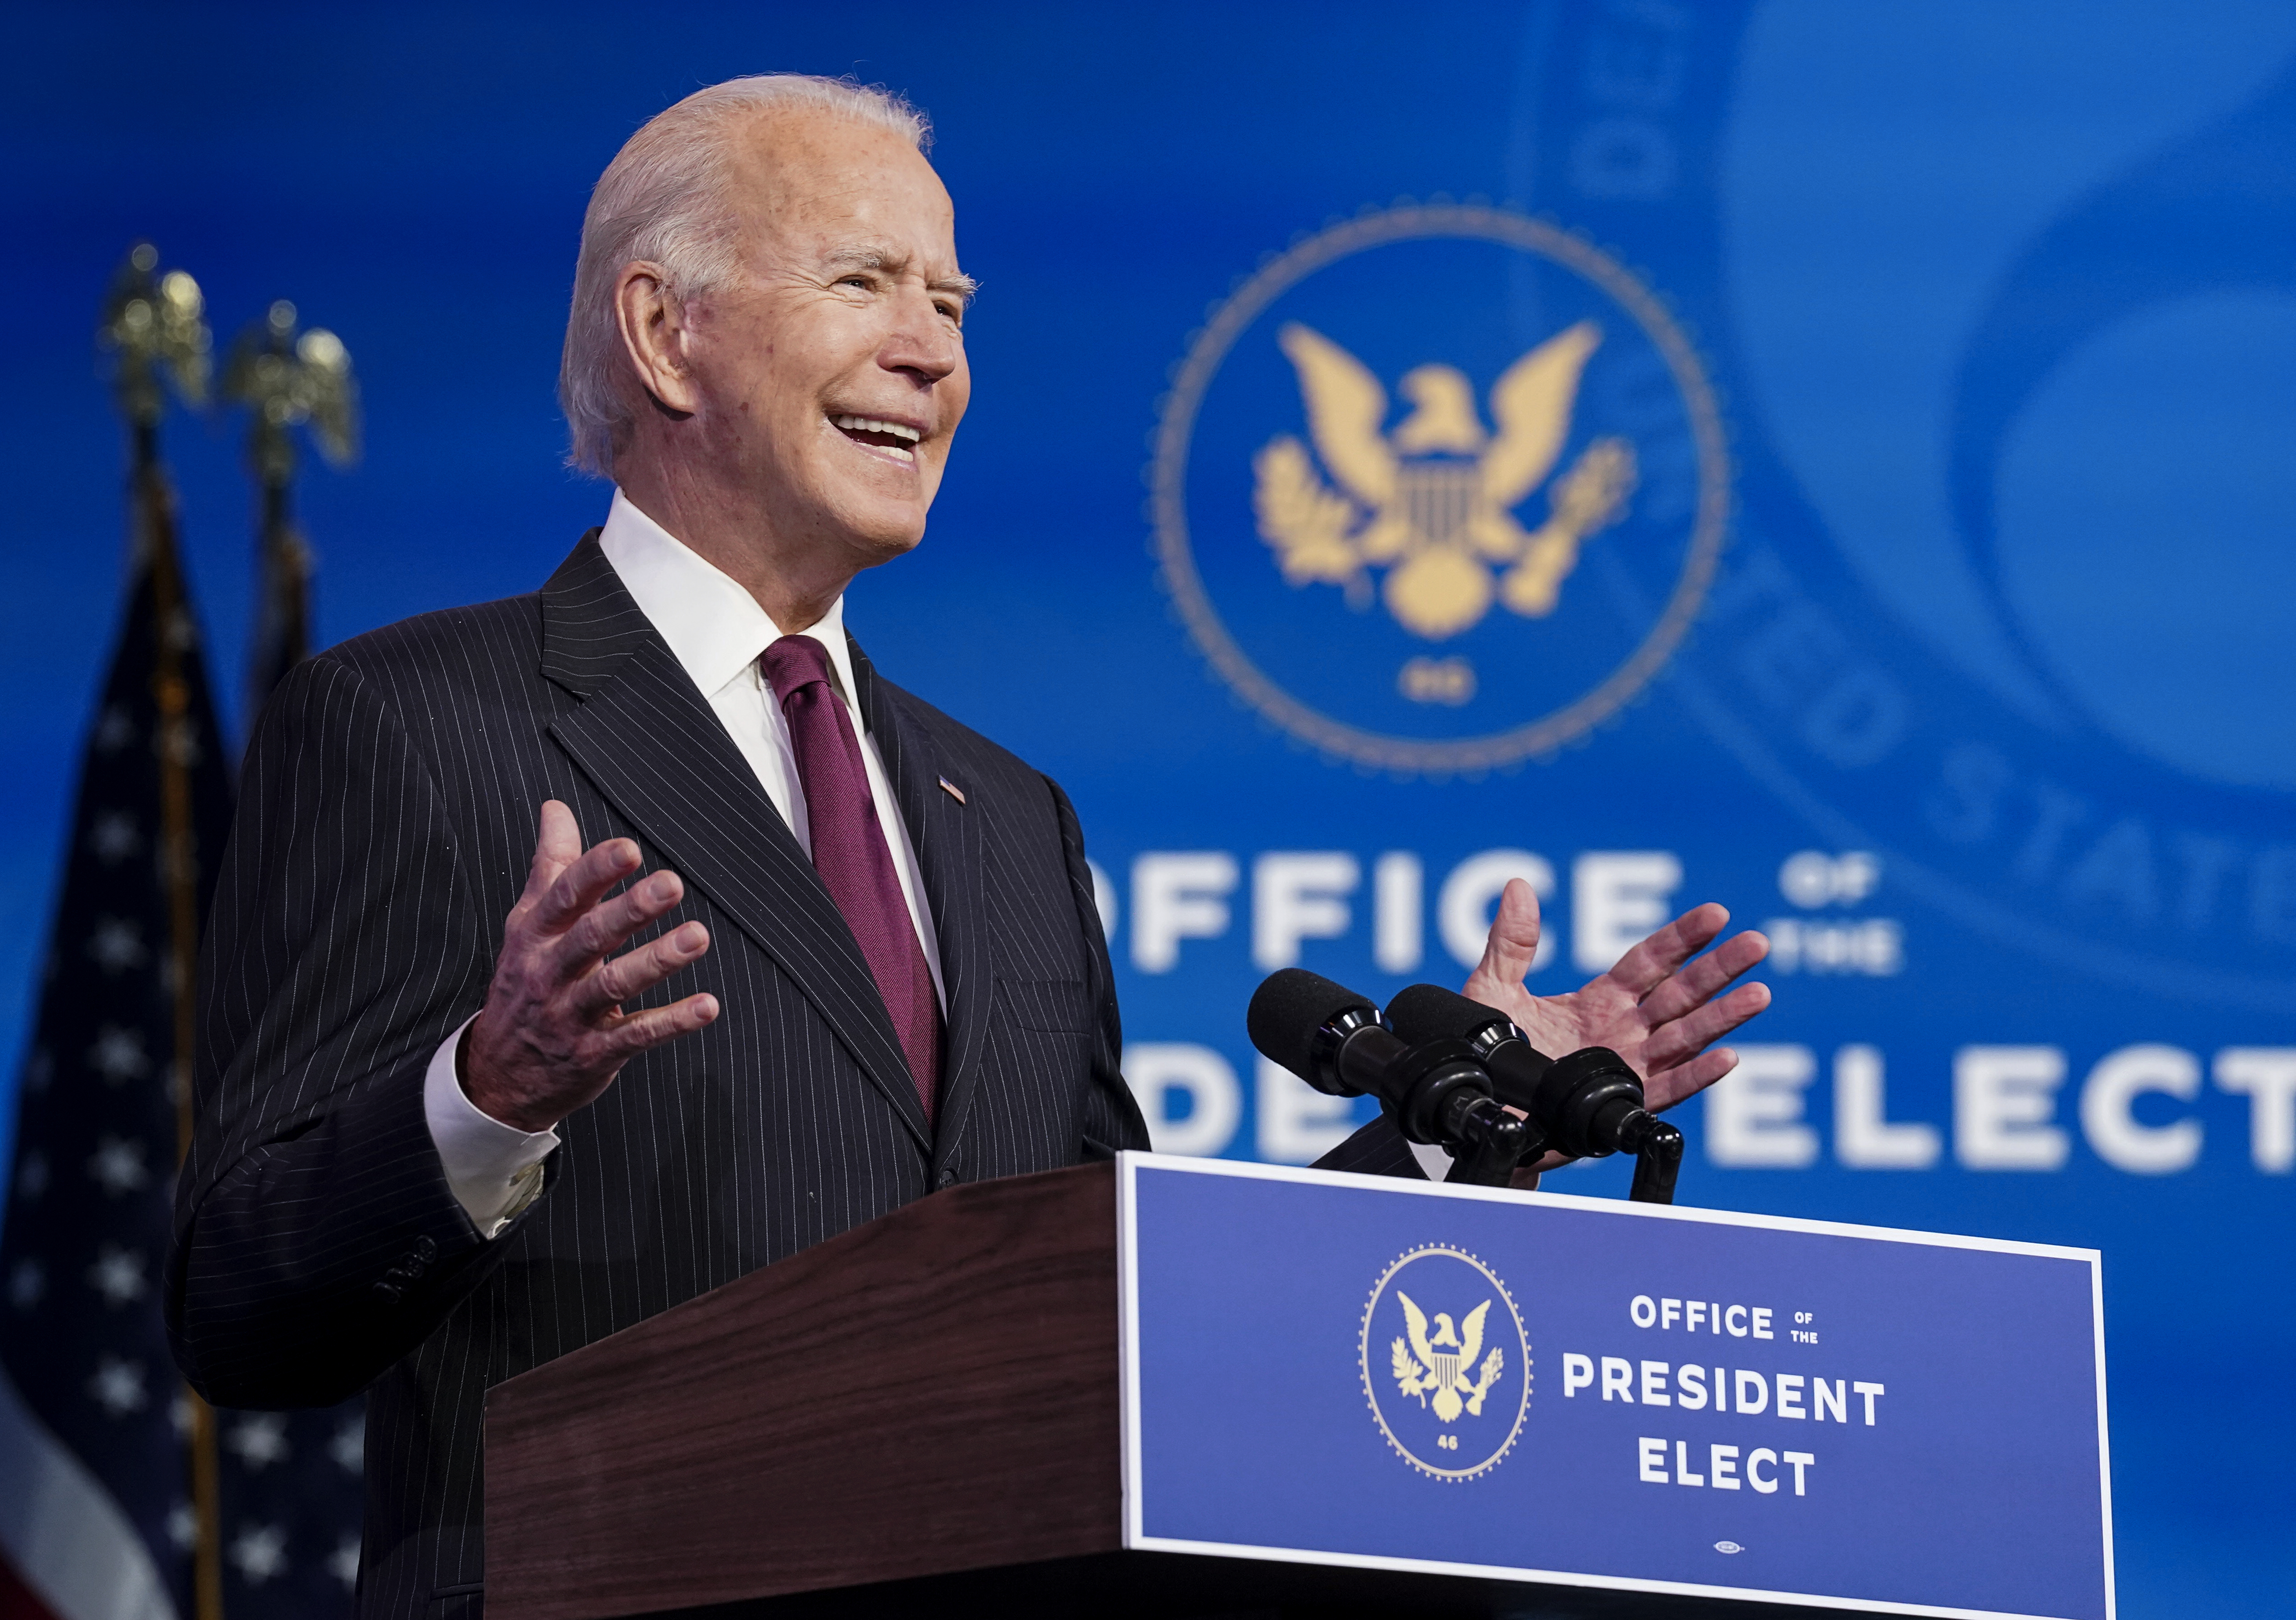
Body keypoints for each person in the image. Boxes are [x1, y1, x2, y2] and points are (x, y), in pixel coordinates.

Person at [167, 74, 1771, 1620]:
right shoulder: (417, 720)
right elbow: (239, 1302)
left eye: (953, 302)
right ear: (667, 334)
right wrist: (484, 1095)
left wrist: (1464, 1139)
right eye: (866, 281)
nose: (932, 354)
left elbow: (1115, 1320)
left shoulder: (1005, 814)